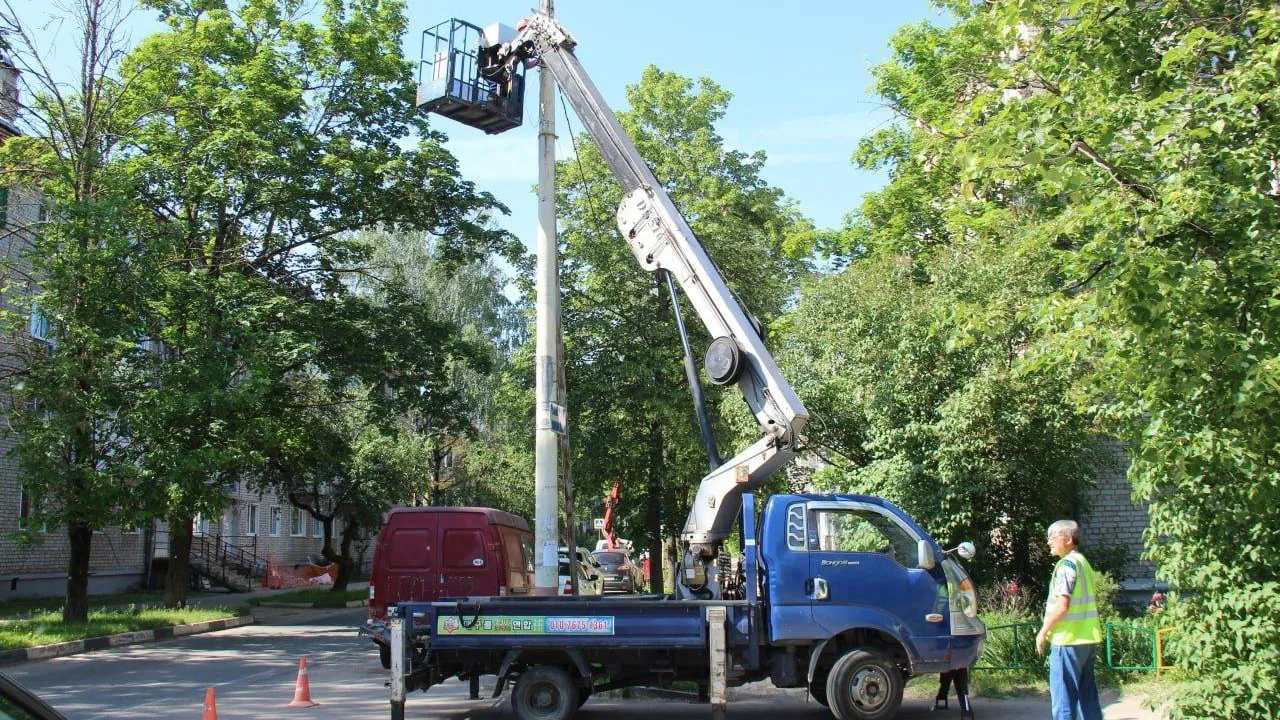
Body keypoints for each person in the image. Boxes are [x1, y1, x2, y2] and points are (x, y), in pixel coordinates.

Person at [1036, 520, 1104, 720]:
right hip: (1086, 640)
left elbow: (1062, 605)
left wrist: (1042, 633)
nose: (1049, 542)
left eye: (1052, 537)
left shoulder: (1066, 565)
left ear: (1067, 539)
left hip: (1067, 641)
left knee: (1064, 701)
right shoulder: (1082, 562)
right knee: (1087, 699)